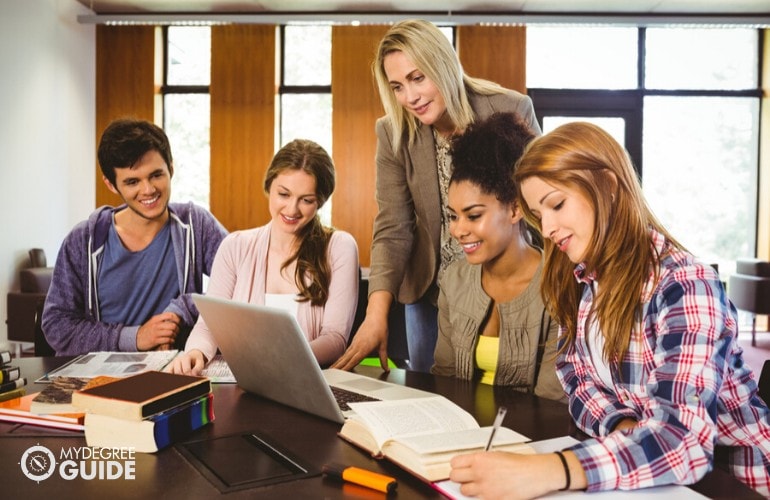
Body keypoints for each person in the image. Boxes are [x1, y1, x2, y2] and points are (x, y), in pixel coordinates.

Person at [449, 122, 770, 498]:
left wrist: (550, 470)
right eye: (540, 213)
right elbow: (576, 380)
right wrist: (625, 428)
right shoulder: (585, 283)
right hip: (655, 481)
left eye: (556, 204)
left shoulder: (684, 284)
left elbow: (683, 440)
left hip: (732, 487)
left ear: (609, 187)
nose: (548, 227)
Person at [333, 19, 542, 373]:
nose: (410, 97)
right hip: (431, 292)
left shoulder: (510, 108)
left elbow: (539, 202)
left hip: (504, 282)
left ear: (443, 65)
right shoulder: (393, 131)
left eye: (418, 78)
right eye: (397, 86)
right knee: (433, 393)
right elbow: (393, 225)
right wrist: (375, 315)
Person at [169, 139, 359, 375]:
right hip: (244, 385)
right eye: (284, 194)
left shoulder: (340, 247)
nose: (292, 209)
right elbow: (209, 325)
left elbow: (335, 338)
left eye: (306, 200)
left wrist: (282, 361)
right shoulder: (235, 247)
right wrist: (195, 353)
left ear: (320, 201)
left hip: (307, 381)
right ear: (269, 187)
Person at [42, 118, 228, 356]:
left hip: (174, 372)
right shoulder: (82, 241)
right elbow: (57, 326)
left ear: (171, 168)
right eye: (132, 182)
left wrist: (184, 307)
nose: (148, 190)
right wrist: (135, 337)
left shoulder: (196, 225)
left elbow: (241, 286)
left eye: (156, 175)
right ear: (111, 185)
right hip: (103, 377)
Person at [431, 112, 563, 402]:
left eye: (473, 215)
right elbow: (443, 381)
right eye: (453, 216)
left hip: (528, 441)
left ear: (516, 210)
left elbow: (551, 403)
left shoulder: (557, 285)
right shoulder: (454, 280)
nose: (458, 230)